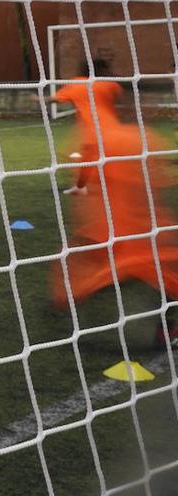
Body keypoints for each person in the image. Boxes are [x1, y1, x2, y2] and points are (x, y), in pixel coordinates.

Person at [50, 121, 178, 337]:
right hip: (130, 229)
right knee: (151, 266)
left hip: (109, 225)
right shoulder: (140, 138)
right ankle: (162, 329)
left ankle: (71, 294)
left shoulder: (99, 133)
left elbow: (84, 170)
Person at [42, 58, 122, 195]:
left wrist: (38, 99)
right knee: (96, 158)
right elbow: (119, 97)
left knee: (87, 158)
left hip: (94, 130)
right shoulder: (110, 84)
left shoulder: (78, 84)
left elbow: (53, 99)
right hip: (113, 128)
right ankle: (82, 186)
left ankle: (85, 186)